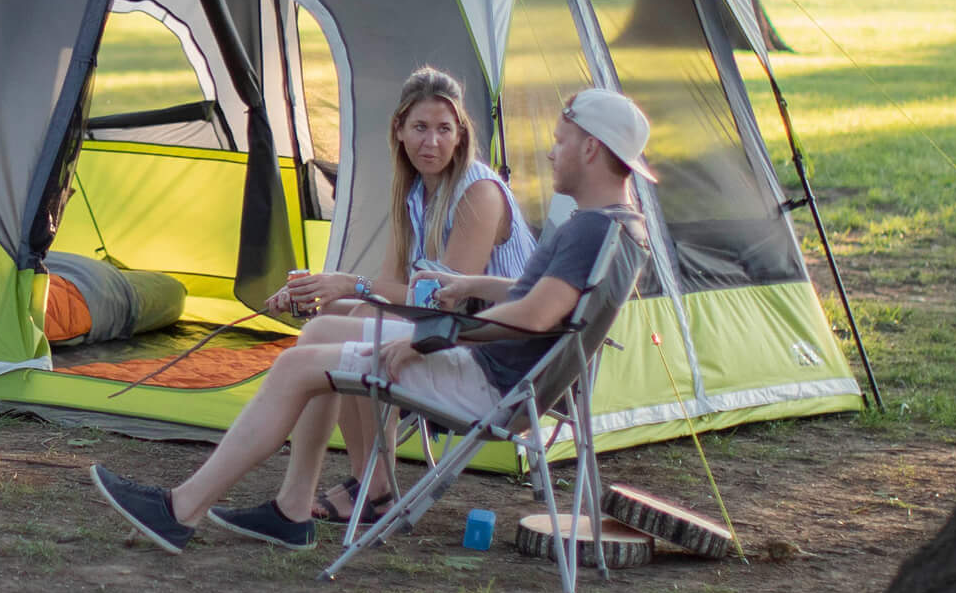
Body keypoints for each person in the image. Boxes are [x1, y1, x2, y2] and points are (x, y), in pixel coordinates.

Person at [88, 87, 653, 554]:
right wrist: (478, 286)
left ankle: (181, 509)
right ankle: (291, 507)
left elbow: (534, 315)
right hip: (500, 374)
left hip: (483, 381)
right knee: (318, 332)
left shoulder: (587, 229)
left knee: (294, 367)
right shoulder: (618, 226)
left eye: (560, 142)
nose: (552, 153)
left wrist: (429, 340)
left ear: (591, 149)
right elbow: (546, 300)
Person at [262, 65, 535, 523]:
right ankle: (371, 483)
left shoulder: (478, 192)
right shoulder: (414, 191)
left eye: (444, 129)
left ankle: (373, 486)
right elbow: (391, 294)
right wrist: (314, 291)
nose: (432, 142)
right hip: (450, 330)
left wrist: (350, 282)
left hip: (492, 345)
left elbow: (443, 299)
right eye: (421, 128)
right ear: (400, 130)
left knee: (340, 322)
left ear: (460, 133)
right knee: (335, 310)